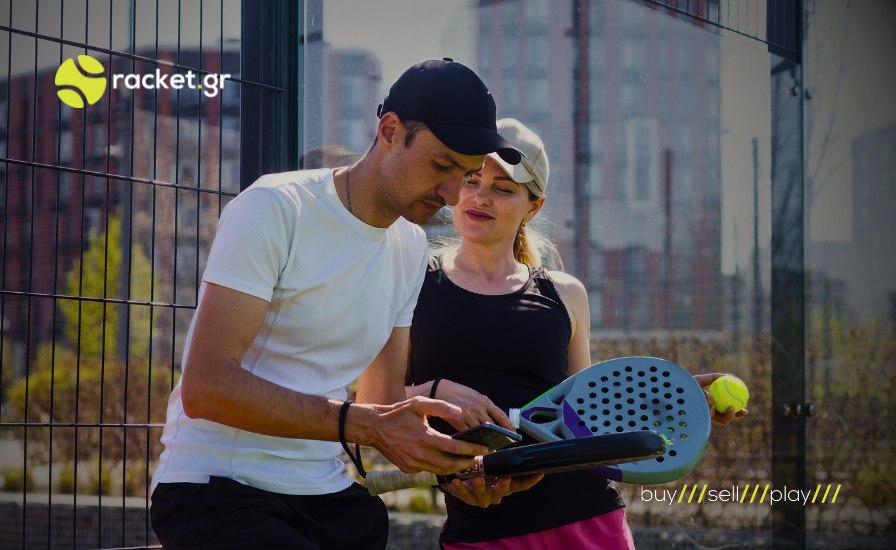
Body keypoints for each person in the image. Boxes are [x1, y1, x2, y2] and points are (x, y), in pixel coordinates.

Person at [149, 58, 523, 550]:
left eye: (468, 173)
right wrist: (363, 423)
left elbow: (380, 401)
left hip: (328, 496)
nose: (453, 193)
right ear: (389, 130)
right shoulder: (277, 208)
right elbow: (206, 386)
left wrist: (458, 463)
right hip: (218, 492)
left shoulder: (409, 248)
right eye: (441, 165)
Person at [407, 118, 746, 549]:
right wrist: (436, 391)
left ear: (533, 206)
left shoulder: (565, 294)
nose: (481, 197)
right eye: (472, 180)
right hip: (478, 527)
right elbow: (378, 401)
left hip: (587, 520)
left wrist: (676, 393)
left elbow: (585, 411)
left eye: (503, 188)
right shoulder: (413, 282)